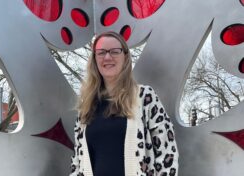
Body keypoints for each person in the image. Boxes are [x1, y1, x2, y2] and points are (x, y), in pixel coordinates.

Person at [70, 31, 179, 176]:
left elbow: (167, 153)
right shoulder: (86, 105)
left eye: (115, 51)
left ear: (125, 57)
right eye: (101, 52)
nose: (107, 57)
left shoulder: (144, 97)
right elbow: (78, 161)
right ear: (94, 59)